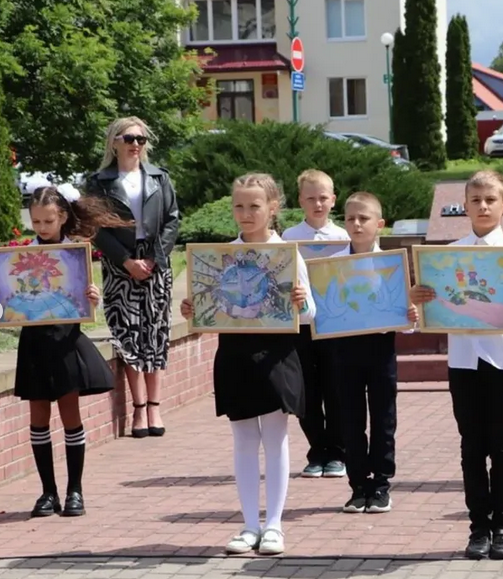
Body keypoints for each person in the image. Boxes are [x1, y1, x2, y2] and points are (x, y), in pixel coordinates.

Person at [409, 170, 503, 561]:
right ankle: (478, 527)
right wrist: (419, 297)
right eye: (476, 200)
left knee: (502, 444)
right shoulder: (448, 255)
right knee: (471, 445)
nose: (484, 206)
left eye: (491, 200)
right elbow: (428, 308)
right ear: (465, 206)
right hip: (463, 360)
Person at [180, 173, 312, 556]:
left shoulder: (288, 254)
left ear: (273, 208)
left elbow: (310, 314)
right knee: (242, 440)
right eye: (239, 205)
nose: (245, 213)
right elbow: (208, 310)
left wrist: (301, 300)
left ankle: (274, 525)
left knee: (275, 437)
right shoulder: (222, 256)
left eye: (254, 206)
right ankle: (249, 525)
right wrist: (194, 309)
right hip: (235, 355)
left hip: (276, 356)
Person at [16, 184, 130, 517]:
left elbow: (83, 301)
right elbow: (11, 298)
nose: (42, 228)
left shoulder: (75, 253)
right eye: (36, 222)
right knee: (38, 418)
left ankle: (74, 491)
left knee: (70, 416)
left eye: (48, 221)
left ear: (63, 217)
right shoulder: (19, 257)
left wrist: (91, 297)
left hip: (65, 341)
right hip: (34, 342)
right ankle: (47, 492)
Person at [323, 192, 418, 514]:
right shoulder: (332, 267)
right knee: (349, 419)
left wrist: (410, 319)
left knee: (383, 419)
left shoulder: (392, 267)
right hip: (343, 351)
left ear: (380, 224)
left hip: (380, 352)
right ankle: (357, 485)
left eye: (363, 218)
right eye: (350, 218)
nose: (357, 224)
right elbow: (322, 310)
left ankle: (380, 484)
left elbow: (405, 321)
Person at [86, 116, 180, 438]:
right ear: (114, 142)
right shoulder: (100, 182)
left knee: (155, 334)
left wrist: (154, 258)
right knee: (128, 335)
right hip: (119, 265)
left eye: (140, 139)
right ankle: (138, 410)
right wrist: (126, 261)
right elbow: (95, 227)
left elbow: (172, 220)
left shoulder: (159, 178)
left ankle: (155, 406)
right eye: (128, 138)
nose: (135, 144)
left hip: (155, 262)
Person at [282, 169, 350, 479]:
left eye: (323, 198)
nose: (317, 204)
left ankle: (337, 452)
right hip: (302, 327)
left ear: (333, 200)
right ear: (300, 201)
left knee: (336, 389)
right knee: (306, 391)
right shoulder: (289, 239)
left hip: (336, 326)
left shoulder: (344, 238)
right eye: (311, 198)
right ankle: (316, 451)